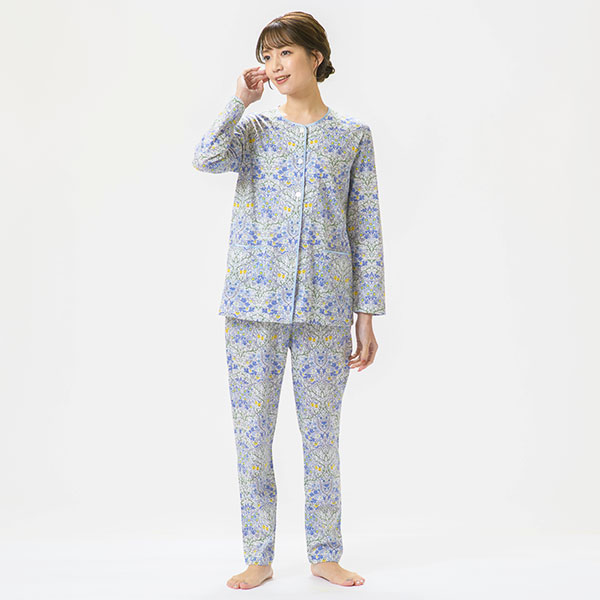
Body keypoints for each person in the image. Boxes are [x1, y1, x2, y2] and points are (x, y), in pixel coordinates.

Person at [192, 11, 385, 590]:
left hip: (326, 308)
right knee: (252, 434)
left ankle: (325, 553)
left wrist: (366, 315)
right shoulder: (254, 131)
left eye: (285, 54)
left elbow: (366, 228)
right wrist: (239, 102)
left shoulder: (352, 136)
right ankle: (258, 554)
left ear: (315, 57)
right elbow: (204, 157)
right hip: (253, 306)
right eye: (266, 56)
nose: (274, 66)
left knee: (321, 436)